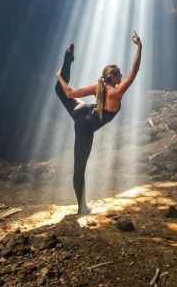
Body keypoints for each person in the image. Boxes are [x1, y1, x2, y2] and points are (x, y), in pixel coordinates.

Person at [55, 31, 142, 215]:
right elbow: (135, 70)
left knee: (59, 90)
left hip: (81, 110)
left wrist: (60, 78)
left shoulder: (100, 86)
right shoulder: (116, 92)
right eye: (119, 74)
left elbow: (69, 93)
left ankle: (68, 57)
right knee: (80, 169)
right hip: (84, 127)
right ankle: (82, 209)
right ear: (114, 77)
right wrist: (139, 47)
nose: (122, 76)